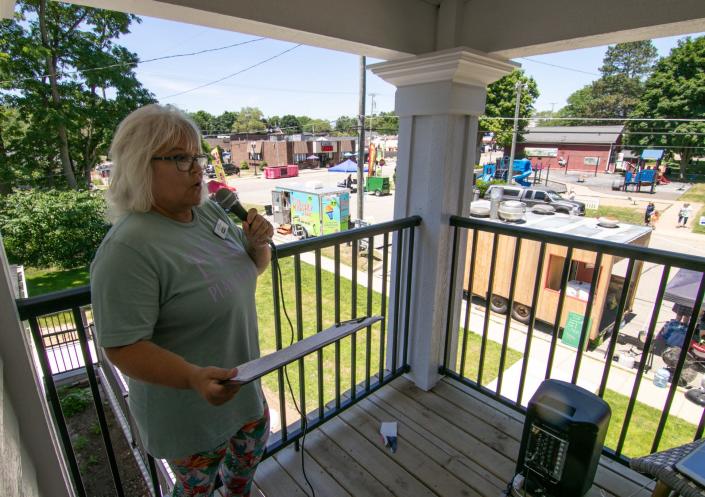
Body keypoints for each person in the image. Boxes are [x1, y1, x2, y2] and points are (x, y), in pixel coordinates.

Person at [91, 104, 274, 497]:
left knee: (241, 481)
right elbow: (123, 347)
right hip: (190, 415)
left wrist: (258, 244)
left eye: (197, 156)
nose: (197, 168)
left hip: (244, 394)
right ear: (141, 165)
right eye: (179, 158)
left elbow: (250, 268)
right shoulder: (129, 248)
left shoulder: (207, 213)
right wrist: (193, 377)